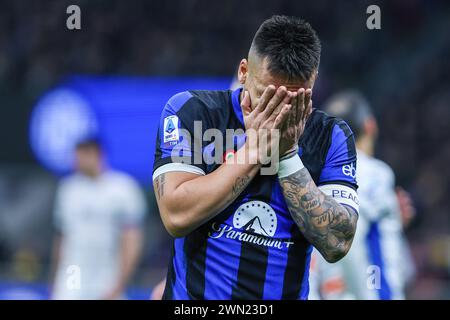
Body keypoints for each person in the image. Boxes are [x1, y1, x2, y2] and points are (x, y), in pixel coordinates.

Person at [152, 15, 359, 300]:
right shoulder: (193, 112)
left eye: (292, 101)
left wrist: (286, 156)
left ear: (312, 86)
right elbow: (176, 215)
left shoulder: (331, 136)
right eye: (266, 96)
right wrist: (255, 150)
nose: (277, 114)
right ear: (243, 72)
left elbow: (337, 242)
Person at [309, 90, 415, 300]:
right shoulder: (374, 173)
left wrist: (392, 224)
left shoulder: (314, 179)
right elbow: (348, 239)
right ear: (370, 125)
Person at [50, 138, 146, 300]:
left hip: (107, 277)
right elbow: (62, 237)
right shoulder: (67, 189)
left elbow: (132, 240)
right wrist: (54, 281)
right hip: (73, 276)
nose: (76, 162)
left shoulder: (123, 188)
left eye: (81, 156)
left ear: (97, 154)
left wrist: (119, 284)